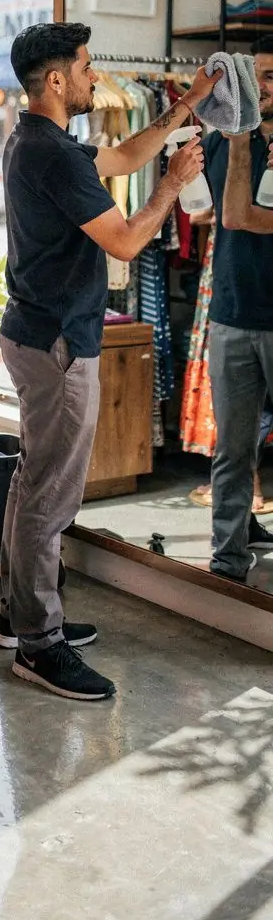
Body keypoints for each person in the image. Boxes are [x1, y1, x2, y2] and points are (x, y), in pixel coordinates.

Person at [0, 22, 217, 701]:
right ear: (56, 79)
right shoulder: (56, 156)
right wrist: (171, 186)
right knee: (50, 494)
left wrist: (187, 104)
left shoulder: (35, 140)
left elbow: (121, 156)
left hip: (35, 333)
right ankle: (39, 645)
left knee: (33, 481)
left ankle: (18, 615)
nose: (95, 77)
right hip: (59, 343)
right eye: (87, 68)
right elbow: (123, 242)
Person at [204, 36, 273, 582]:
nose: (262, 87)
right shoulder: (222, 141)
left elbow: (242, 217)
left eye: (271, 78)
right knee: (232, 447)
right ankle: (228, 557)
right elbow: (212, 213)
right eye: (257, 75)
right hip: (230, 312)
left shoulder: (237, 140)